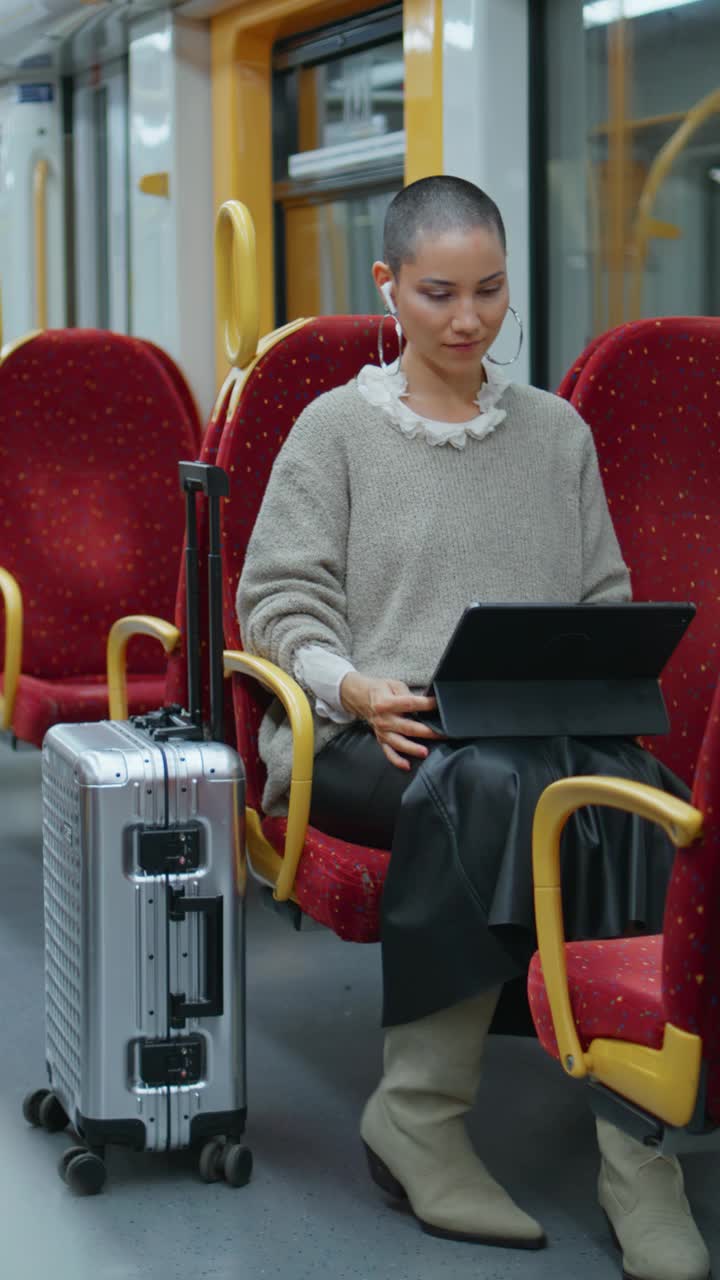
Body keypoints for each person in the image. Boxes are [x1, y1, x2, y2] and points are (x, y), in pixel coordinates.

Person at [237, 176, 710, 1280]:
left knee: (638, 803)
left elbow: (603, 596)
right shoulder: (336, 429)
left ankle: (640, 1156)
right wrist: (351, 685)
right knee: (496, 786)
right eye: (439, 292)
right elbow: (279, 602)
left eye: (490, 291)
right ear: (387, 286)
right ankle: (421, 1114)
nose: (467, 319)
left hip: (528, 730)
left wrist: (591, 670)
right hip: (368, 734)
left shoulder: (554, 432)